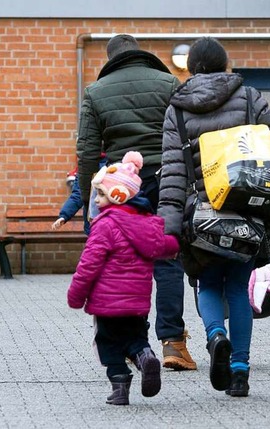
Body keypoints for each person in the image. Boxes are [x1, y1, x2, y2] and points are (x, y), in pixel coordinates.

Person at [157, 37, 270, 397]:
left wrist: (168, 226)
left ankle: (216, 337)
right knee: (239, 291)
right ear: (226, 64)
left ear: (191, 67)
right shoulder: (249, 97)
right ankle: (240, 371)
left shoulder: (177, 110)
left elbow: (172, 173)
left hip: (200, 216)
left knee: (208, 283)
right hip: (246, 210)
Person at [75, 34, 196, 370]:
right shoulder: (168, 82)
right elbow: (187, 135)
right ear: (141, 55)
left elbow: (86, 151)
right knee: (169, 259)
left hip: (121, 185)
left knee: (124, 262)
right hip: (168, 179)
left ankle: (134, 343)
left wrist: (90, 198)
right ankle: (173, 343)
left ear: (111, 59)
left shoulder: (95, 92)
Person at [67, 151, 180, 406]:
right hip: (137, 304)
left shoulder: (104, 225)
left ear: (117, 195)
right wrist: (176, 244)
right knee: (135, 338)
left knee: (108, 344)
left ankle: (119, 388)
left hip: (106, 305)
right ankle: (144, 356)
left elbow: (89, 264)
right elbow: (164, 246)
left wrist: (76, 295)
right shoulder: (148, 223)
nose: (96, 200)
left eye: (101, 195)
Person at [52, 155, 107, 235]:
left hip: (107, 223)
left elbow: (77, 195)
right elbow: (78, 195)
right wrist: (64, 215)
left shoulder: (114, 164)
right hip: (93, 225)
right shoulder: (85, 166)